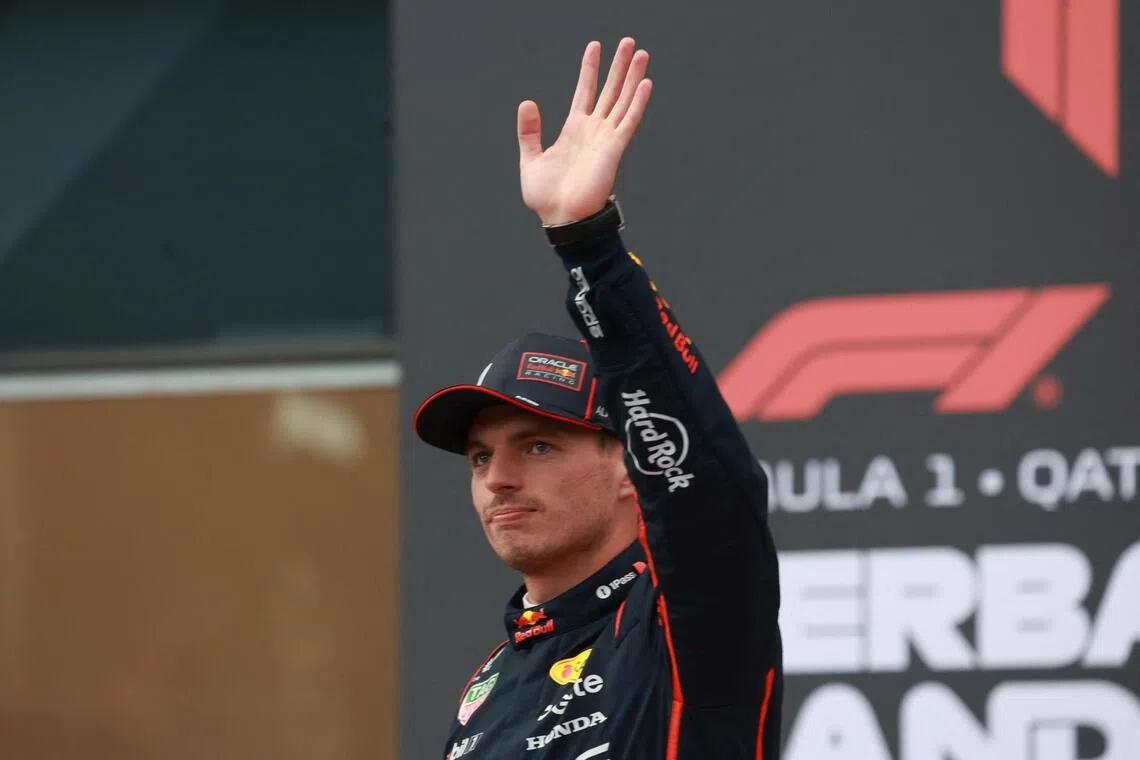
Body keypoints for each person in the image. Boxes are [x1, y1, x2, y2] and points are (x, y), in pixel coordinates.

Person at [413, 37, 783, 760]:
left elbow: (707, 492)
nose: (498, 477)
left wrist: (589, 245)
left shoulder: (683, 623)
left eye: (539, 445)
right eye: (480, 456)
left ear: (630, 466)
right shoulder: (488, 684)